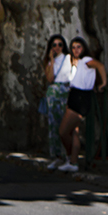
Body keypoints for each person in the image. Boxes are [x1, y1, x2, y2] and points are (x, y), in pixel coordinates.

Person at [57, 37, 107, 173]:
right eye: (73, 47)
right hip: (74, 95)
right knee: (74, 132)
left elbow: (100, 66)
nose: (76, 50)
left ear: (83, 48)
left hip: (80, 98)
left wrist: (103, 83)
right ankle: (73, 161)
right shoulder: (75, 62)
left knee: (63, 131)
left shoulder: (86, 61)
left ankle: (69, 156)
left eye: (78, 47)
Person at [37, 34, 71, 167]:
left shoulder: (68, 59)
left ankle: (68, 155)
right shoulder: (51, 62)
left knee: (65, 125)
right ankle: (57, 156)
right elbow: (50, 78)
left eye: (60, 45)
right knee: (54, 125)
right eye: (54, 45)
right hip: (53, 95)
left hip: (65, 94)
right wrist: (51, 58)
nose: (57, 47)